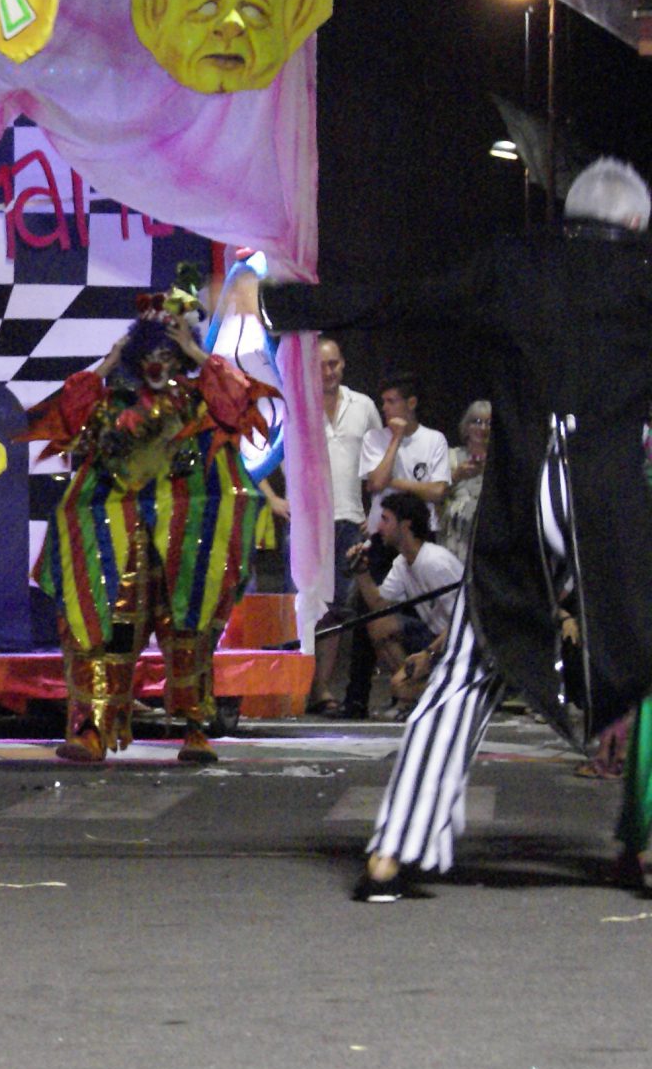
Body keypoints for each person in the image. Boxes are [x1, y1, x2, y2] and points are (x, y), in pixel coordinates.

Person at [263, 158, 652, 901]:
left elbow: (403, 299)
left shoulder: (515, 265)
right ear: (635, 223)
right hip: (606, 506)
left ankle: (394, 849)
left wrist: (281, 302)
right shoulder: (642, 278)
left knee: (469, 667)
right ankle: (645, 846)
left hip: (523, 495)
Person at [18, 272, 275, 766]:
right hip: (121, 532)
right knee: (104, 626)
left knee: (189, 629)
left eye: (170, 355)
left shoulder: (199, 399)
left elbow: (237, 401)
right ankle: (92, 729)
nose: (160, 365)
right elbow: (70, 412)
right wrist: (109, 361)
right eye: (151, 355)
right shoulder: (114, 403)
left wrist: (197, 352)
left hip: (185, 534)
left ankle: (195, 729)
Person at [308, 337, 383, 717]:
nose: (329, 371)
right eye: (322, 364)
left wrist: (376, 513)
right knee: (304, 607)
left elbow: (381, 465)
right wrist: (274, 499)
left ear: (343, 364)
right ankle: (297, 686)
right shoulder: (299, 403)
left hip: (351, 518)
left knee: (339, 609)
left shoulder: (363, 406)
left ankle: (321, 688)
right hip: (308, 522)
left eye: (334, 363)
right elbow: (263, 450)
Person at [350, 491, 462, 711]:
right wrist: (361, 571)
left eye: (386, 520)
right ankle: (416, 688)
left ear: (405, 525)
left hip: (458, 644)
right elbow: (378, 605)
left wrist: (428, 654)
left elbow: (465, 619)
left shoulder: (434, 562)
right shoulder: (402, 563)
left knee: (400, 688)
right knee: (380, 625)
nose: (379, 527)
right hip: (436, 639)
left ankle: (434, 693)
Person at [360, 371, 449, 507]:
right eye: (383, 402)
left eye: (391, 401)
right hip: (382, 519)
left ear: (412, 403)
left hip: (421, 519)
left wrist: (391, 482)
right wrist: (396, 438)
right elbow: (376, 484)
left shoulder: (435, 439)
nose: (384, 408)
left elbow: (438, 492)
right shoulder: (373, 437)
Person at [439, 399, 491, 561]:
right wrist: (456, 476)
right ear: (466, 426)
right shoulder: (451, 457)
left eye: (488, 423)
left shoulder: (501, 463)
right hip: (456, 538)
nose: (483, 428)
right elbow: (435, 495)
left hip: (488, 536)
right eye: (477, 422)